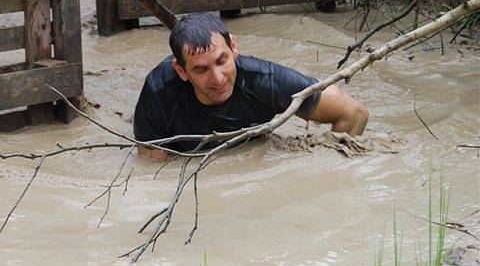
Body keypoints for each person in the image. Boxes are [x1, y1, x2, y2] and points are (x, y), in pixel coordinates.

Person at [133, 13, 368, 160]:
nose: (217, 78)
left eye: (221, 61)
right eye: (201, 69)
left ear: (233, 47)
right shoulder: (158, 93)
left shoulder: (264, 81)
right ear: (181, 71)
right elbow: (152, 166)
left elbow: (354, 113)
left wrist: (331, 172)